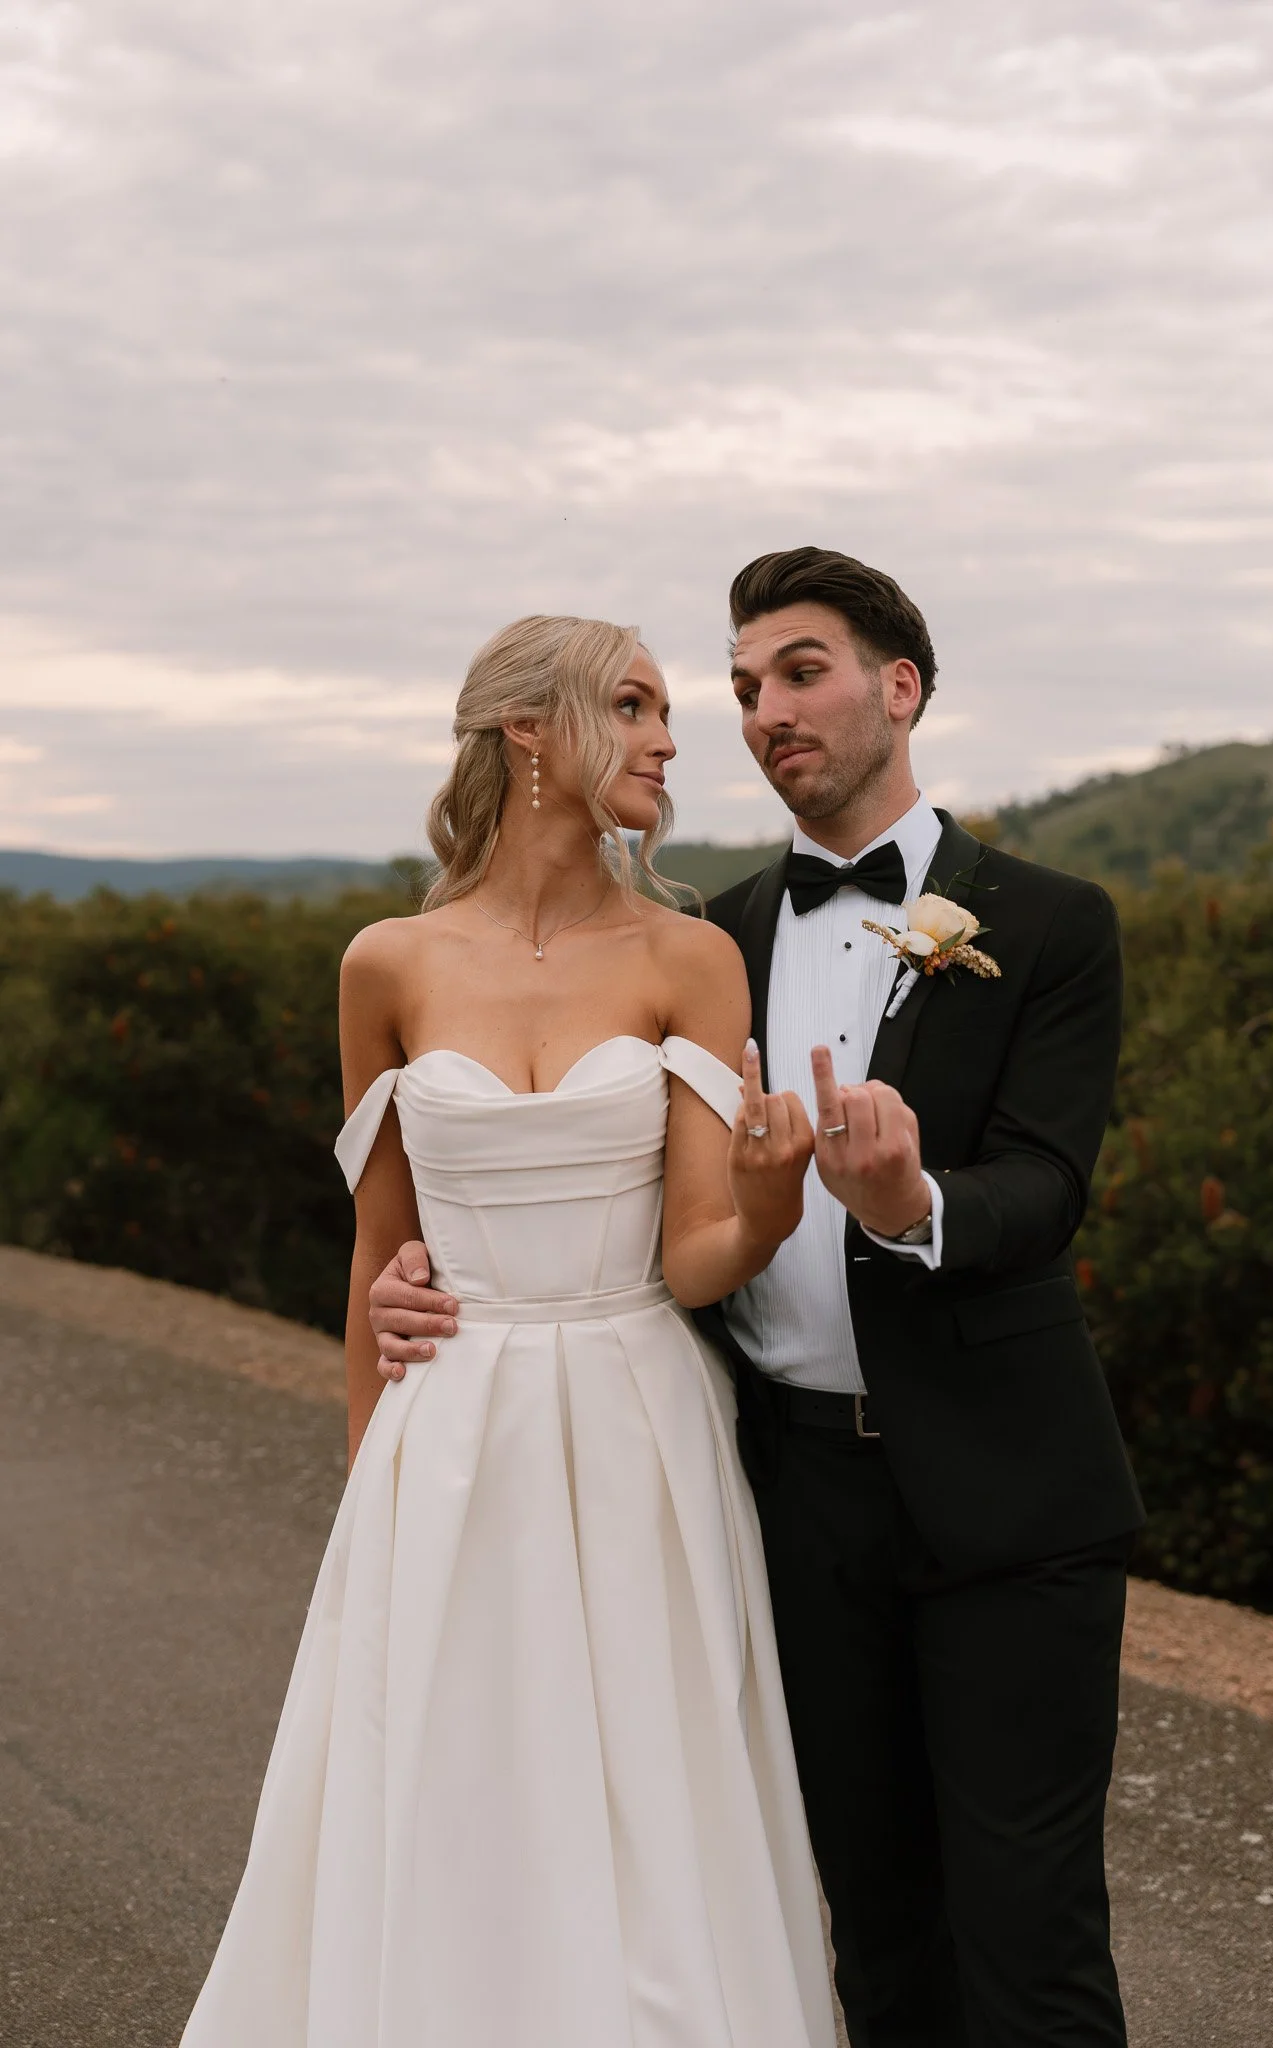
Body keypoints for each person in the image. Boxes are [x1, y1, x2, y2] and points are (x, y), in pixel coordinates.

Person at [372, 549, 1146, 2048]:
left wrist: (914, 1202)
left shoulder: (1053, 921)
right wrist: (429, 1269)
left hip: (1007, 1497)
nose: (761, 710)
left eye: (800, 672)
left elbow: (1048, 1186)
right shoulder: (704, 938)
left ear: (898, 686)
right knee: (863, 1924)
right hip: (776, 1492)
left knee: (1031, 1933)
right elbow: (636, 1213)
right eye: (741, 689)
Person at [178, 614, 838, 2048]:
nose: (674, 737)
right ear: (528, 731)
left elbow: (699, 1257)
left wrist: (778, 1209)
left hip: (635, 1418)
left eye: (672, 711)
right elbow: (378, 1251)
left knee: (645, 1806)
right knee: (445, 1776)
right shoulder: (386, 966)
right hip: (449, 1426)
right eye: (637, 705)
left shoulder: (693, 956)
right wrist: (373, 1492)